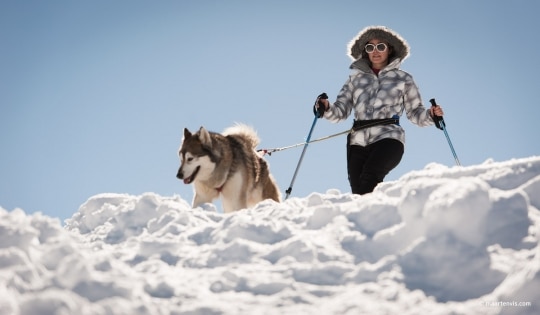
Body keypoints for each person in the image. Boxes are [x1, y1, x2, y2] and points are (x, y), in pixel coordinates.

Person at [315, 25, 444, 195]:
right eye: (370, 47)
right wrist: (325, 107)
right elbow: (340, 112)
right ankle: (374, 218)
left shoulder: (403, 78)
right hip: (357, 141)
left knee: (370, 178)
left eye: (381, 46)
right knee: (358, 193)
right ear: (365, 51)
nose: (375, 51)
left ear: (390, 49)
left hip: (389, 137)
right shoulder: (355, 80)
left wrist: (431, 115)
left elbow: (415, 114)